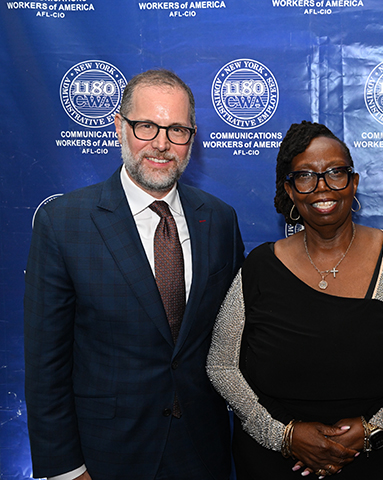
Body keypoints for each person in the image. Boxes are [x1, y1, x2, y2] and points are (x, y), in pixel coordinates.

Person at [24, 69, 245, 480]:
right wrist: (67, 470)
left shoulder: (219, 219)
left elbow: (231, 342)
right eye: (146, 126)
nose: (161, 143)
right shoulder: (64, 223)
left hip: (202, 452)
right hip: (106, 456)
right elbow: (45, 363)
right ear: (119, 127)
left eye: (177, 130)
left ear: (192, 138)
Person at [206, 121, 383, 480]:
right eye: (305, 176)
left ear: (353, 182)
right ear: (289, 189)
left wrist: (375, 429)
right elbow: (221, 366)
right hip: (275, 466)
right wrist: (284, 435)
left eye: (335, 172)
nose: (322, 187)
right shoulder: (259, 267)